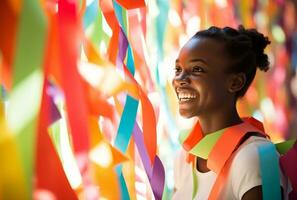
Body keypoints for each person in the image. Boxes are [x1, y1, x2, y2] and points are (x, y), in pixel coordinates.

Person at [172, 25, 290, 200]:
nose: (180, 80)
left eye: (197, 69)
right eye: (178, 70)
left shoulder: (257, 156)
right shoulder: (185, 158)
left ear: (235, 82)